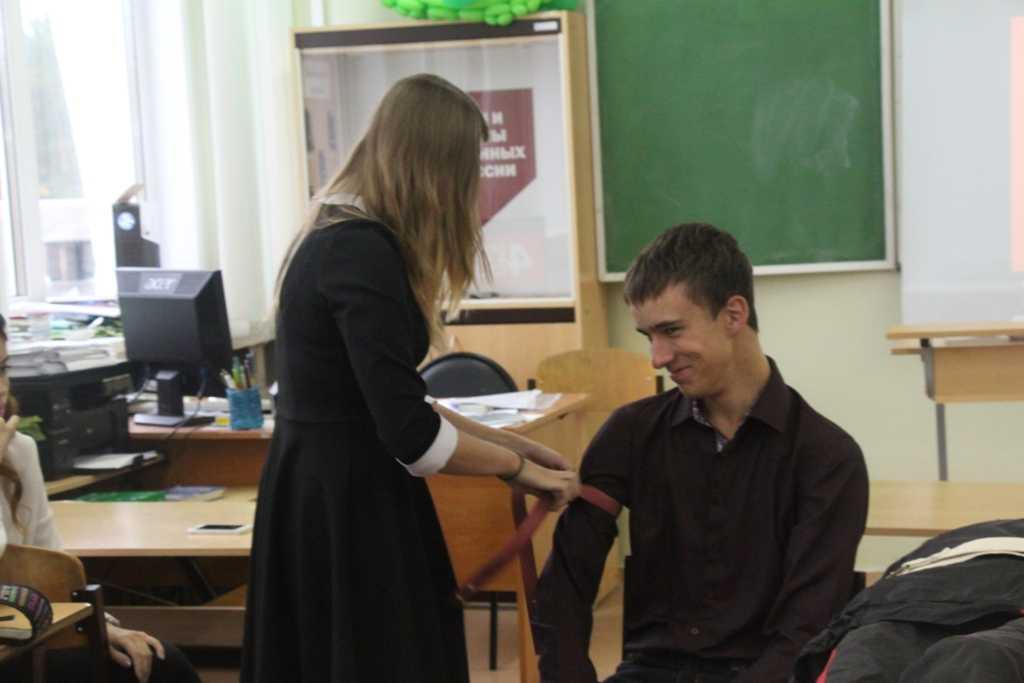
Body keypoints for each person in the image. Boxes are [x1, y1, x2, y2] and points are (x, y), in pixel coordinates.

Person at [240, 73, 579, 683]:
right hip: (350, 510)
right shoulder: (359, 251)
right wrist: (516, 469)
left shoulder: (336, 236)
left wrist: (514, 445)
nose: (472, 192)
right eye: (468, 171)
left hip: (331, 495)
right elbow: (412, 436)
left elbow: (391, 403)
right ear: (435, 170)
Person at [533, 223, 869, 683]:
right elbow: (565, 583)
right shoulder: (630, 433)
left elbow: (804, 633)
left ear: (733, 314)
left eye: (671, 330)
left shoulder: (828, 459)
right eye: (648, 336)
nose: (657, 357)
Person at [0, 313, 200, 683]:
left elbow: (50, 567)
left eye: (2, 369)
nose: (1, 388)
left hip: (23, 638)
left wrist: (100, 627)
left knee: (157, 663)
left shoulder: (18, 451)